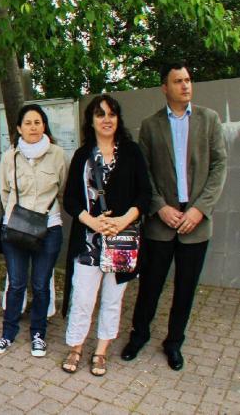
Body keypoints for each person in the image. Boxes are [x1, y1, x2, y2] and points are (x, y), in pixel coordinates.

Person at [122, 63, 227, 371]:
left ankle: (174, 342)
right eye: (178, 81)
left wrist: (199, 209)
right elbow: (146, 174)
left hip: (196, 222)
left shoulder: (209, 120)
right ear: (164, 88)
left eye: (188, 80)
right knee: (150, 286)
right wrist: (160, 206)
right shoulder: (151, 126)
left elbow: (219, 167)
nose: (185, 85)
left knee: (185, 288)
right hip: (161, 222)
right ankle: (139, 335)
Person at [60, 94, 150, 376]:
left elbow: (145, 194)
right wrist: (93, 222)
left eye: (111, 114)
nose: (107, 119)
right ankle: (76, 347)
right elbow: (71, 200)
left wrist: (124, 220)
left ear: (118, 118)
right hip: (88, 242)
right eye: (100, 114)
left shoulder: (132, 152)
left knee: (113, 299)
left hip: (122, 240)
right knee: (83, 298)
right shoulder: (82, 155)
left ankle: (100, 351)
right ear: (91, 120)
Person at [0, 104, 67, 357]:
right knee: (16, 283)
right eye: (28, 123)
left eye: (38, 122)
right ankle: (8, 333)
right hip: (17, 229)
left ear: (44, 125)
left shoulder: (58, 155)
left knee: (42, 284)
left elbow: (63, 188)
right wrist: (17, 216)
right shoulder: (9, 156)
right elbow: (3, 191)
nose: (33, 127)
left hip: (49, 227)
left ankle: (38, 334)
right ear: (18, 128)